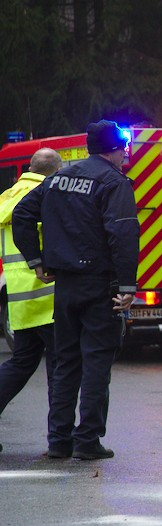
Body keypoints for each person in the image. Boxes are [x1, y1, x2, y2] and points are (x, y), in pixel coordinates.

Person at [11, 121, 138, 460]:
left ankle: (59, 441)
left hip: (65, 286)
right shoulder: (114, 182)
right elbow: (122, 234)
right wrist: (127, 286)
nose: (125, 156)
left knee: (65, 362)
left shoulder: (57, 179)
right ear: (116, 149)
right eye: (123, 149)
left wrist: (36, 261)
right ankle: (88, 441)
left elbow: (23, 213)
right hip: (100, 285)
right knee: (96, 361)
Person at [0, 148, 64, 453]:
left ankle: (60, 437)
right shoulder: (47, 194)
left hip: (21, 299)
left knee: (21, 364)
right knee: (59, 368)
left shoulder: (8, 195)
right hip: (49, 293)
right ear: (54, 172)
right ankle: (60, 438)